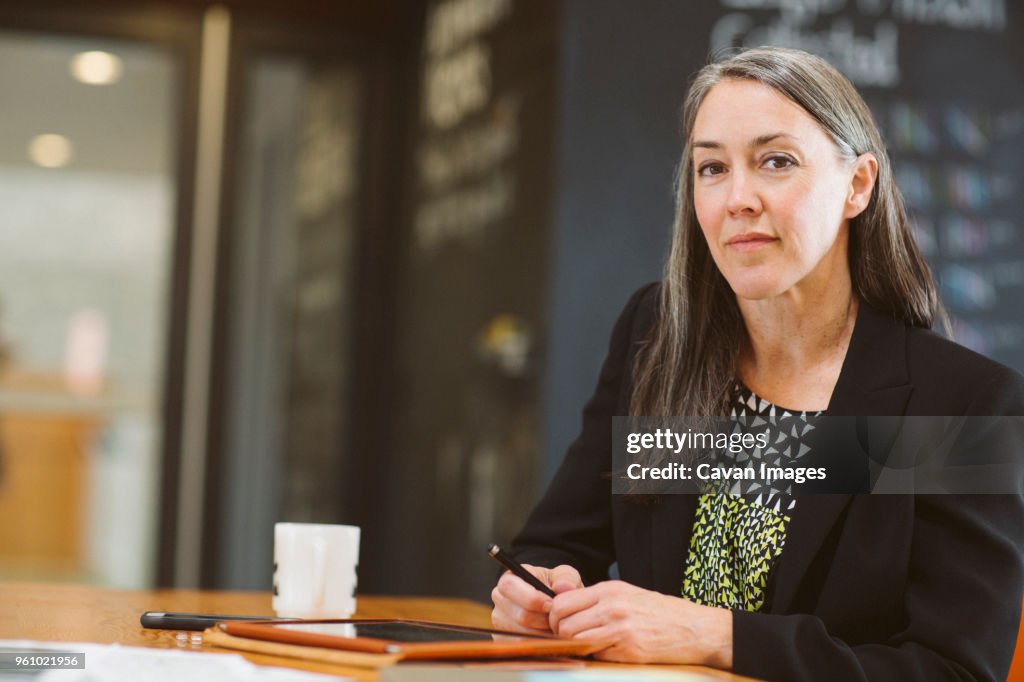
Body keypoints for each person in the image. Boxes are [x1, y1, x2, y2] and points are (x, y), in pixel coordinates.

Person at [491, 46, 1024, 681]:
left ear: (858, 184)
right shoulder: (659, 335)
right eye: (712, 168)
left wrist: (717, 635)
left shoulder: (955, 403)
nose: (738, 198)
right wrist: (536, 590)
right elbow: (559, 544)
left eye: (776, 162)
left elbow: (952, 671)